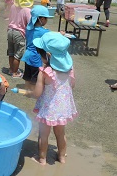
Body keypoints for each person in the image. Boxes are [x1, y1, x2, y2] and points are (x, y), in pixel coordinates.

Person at [28, 32, 78, 165]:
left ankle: (42, 159)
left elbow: (37, 93)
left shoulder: (45, 72)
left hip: (48, 109)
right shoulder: (70, 69)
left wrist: (30, 93)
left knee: (43, 134)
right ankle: (62, 157)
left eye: (41, 54)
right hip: (62, 109)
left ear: (48, 55)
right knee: (60, 134)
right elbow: (72, 85)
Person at [21, 5, 52, 91]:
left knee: (27, 75)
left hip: (27, 55)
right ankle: (32, 91)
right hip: (36, 57)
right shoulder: (44, 31)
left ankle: (26, 89)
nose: (47, 20)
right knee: (35, 77)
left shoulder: (28, 28)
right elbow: (51, 37)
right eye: (46, 18)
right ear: (41, 19)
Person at [7, 0, 33, 78]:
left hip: (10, 31)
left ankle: (11, 69)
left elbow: (10, 18)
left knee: (11, 52)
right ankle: (15, 72)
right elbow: (30, 23)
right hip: (19, 33)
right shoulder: (27, 10)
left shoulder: (13, 6)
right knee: (18, 54)